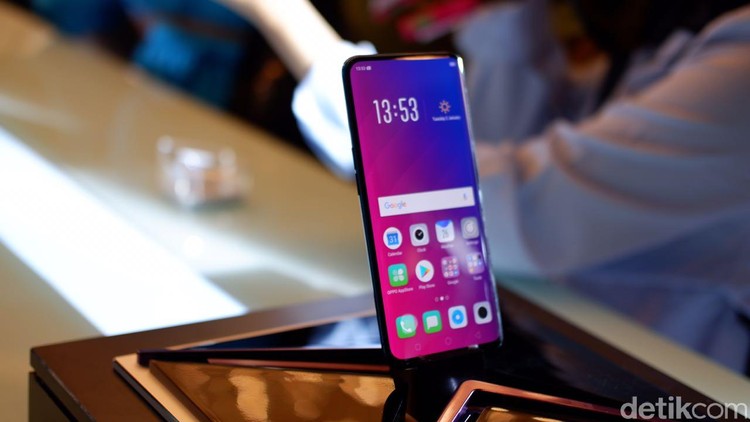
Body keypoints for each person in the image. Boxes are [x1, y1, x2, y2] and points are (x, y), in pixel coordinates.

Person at [205, 0, 750, 373]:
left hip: (650, 383)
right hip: (531, 335)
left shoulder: (736, 66)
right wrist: (504, 14)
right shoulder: (664, 33)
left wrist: (284, 15)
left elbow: (501, 209)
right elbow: (495, 141)